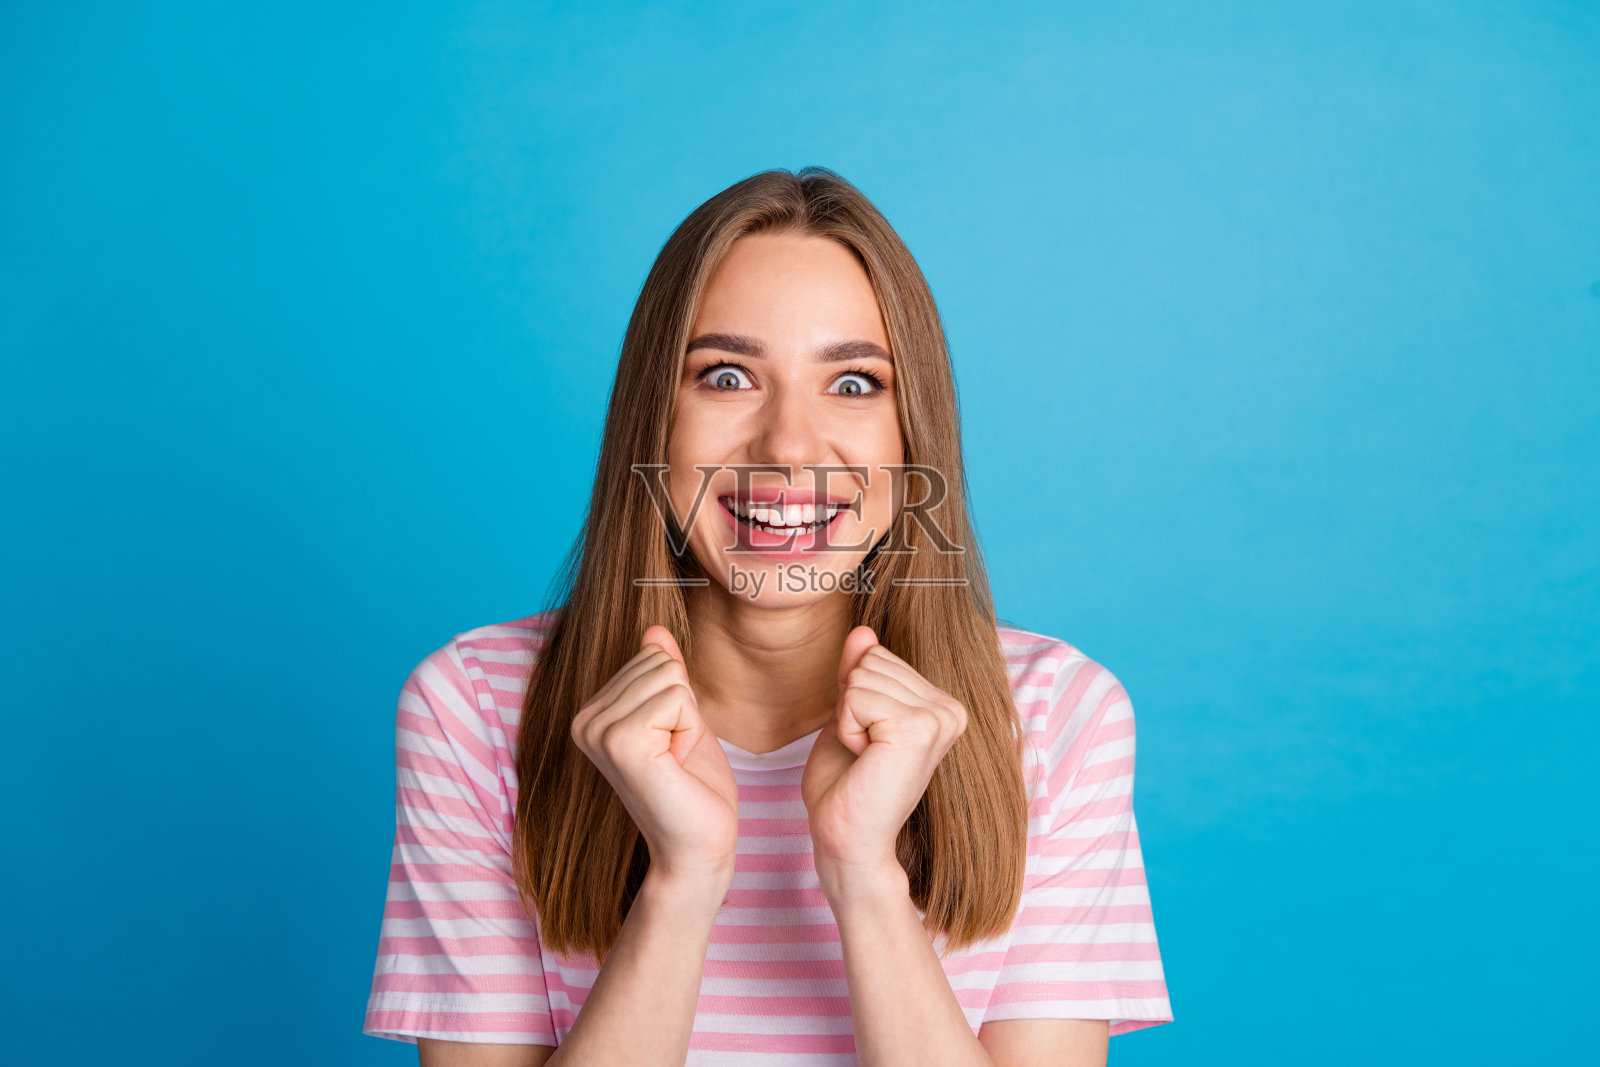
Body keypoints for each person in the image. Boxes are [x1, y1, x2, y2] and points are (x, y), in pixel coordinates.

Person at [363, 167, 1173, 1066]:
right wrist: (683, 880)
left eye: (856, 384)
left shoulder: (1058, 715)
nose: (788, 445)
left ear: (913, 442)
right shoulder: (478, 707)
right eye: (726, 375)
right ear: (653, 426)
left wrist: (863, 875)